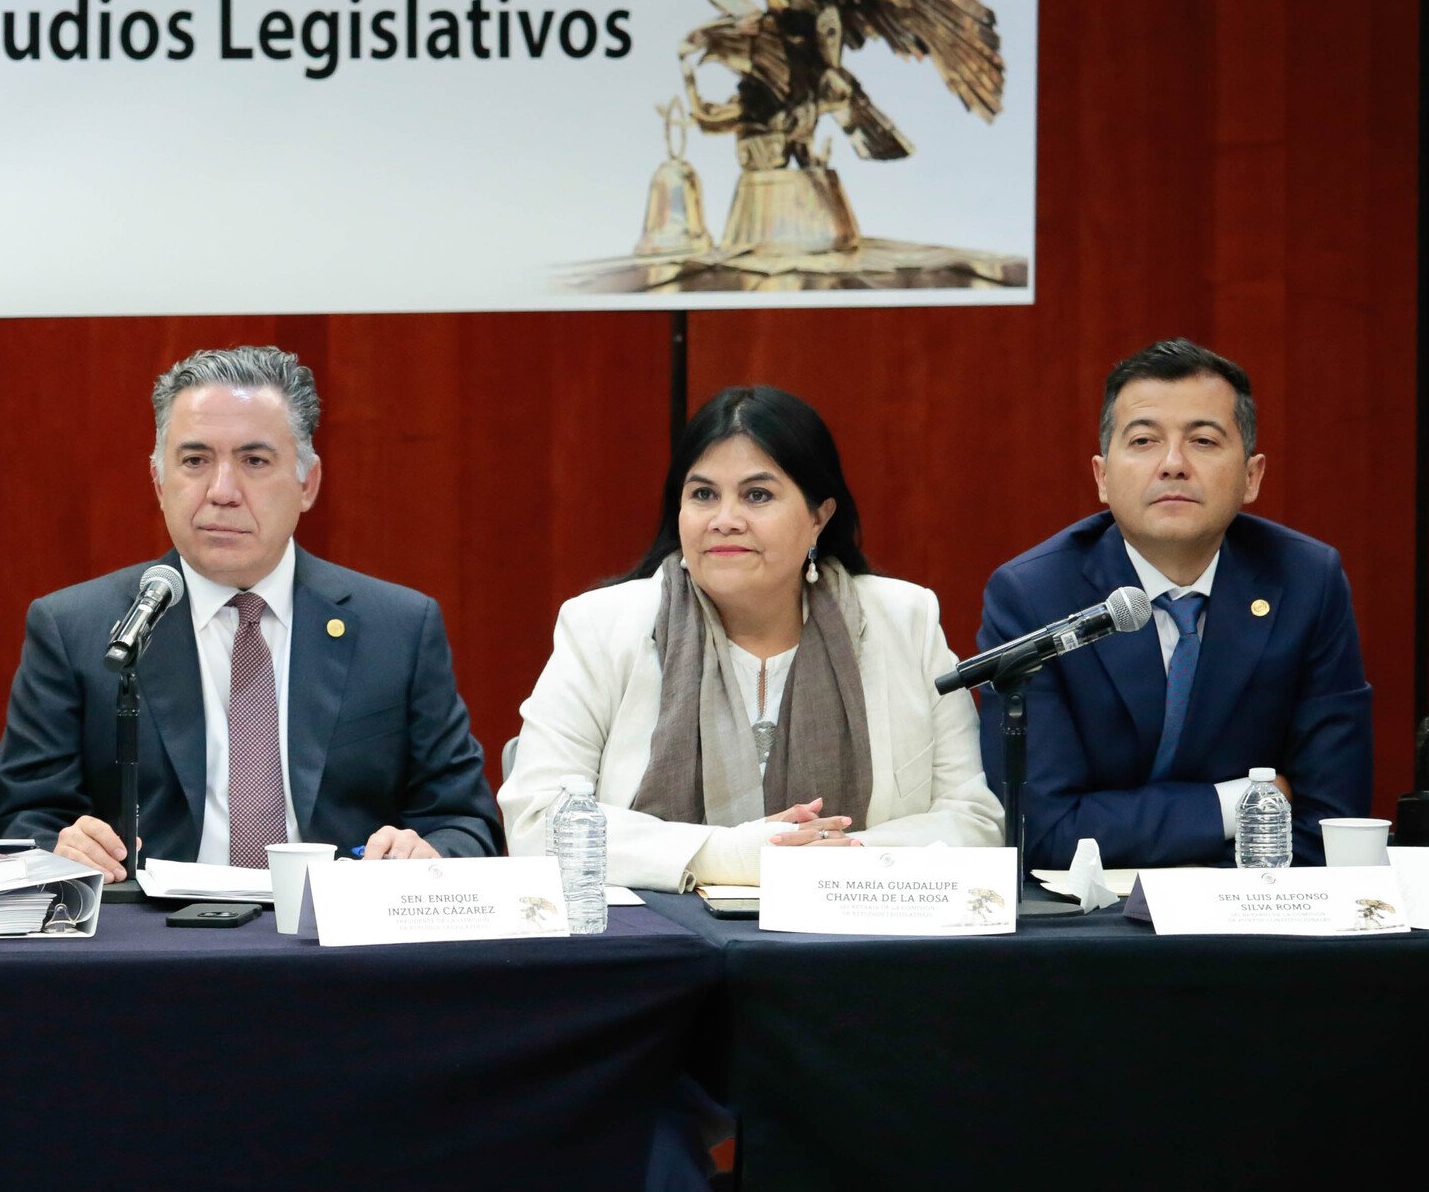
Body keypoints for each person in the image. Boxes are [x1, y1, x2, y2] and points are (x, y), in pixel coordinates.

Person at [0, 346, 499, 875]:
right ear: (158, 480)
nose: (222, 491)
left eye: (254, 461)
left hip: (335, 939)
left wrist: (428, 855)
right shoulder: (77, 627)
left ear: (307, 484)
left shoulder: (397, 628)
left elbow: (466, 823)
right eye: (194, 461)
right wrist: (63, 849)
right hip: (155, 942)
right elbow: (21, 823)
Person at [499, 385, 1001, 890]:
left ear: (819, 517)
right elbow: (539, 821)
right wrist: (728, 856)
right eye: (703, 495)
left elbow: (974, 821)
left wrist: (845, 859)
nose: (724, 520)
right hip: (661, 949)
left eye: (757, 495)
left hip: (854, 944)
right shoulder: (601, 627)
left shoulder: (904, 621)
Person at [978, 339, 1372, 868]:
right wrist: (1239, 803)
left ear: (1251, 477)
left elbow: (1332, 823)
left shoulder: (1306, 581)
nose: (1173, 465)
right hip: (1084, 923)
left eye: (1204, 441)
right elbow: (1044, 830)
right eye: (1143, 440)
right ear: (1101, 477)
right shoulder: (1035, 595)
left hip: (1255, 911)